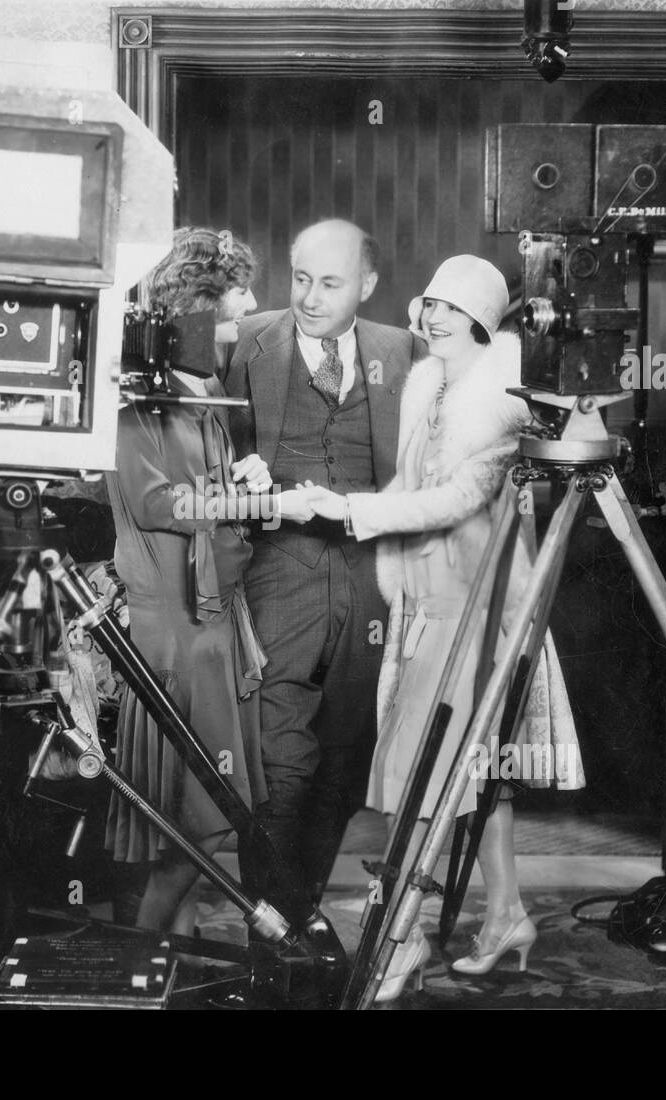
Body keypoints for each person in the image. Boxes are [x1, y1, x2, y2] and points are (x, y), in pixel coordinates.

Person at [303, 255, 584, 997]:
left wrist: (350, 514)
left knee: (426, 770)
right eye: (428, 302)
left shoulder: (501, 399)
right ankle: (506, 916)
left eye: (450, 309)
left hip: (476, 600)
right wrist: (343, 499)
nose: (430, 316)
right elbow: (413, 480)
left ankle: (404, 933)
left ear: (481, 320)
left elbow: (457, 498)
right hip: (427, 590)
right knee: (472, 768)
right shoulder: (428, 381)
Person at [105, 226, 314, 934]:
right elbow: (155, 503)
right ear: (199, 302)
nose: (252, 301)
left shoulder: (199, 386)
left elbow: (202, 490)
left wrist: (241, 477)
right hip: (178, 632)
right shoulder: (140, 396)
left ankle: (174, 963)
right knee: (197, 823)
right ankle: (143, 961)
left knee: (206, 818)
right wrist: (263, 502)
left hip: (214, 622)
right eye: (237, 291)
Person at [224, 219, 425, 924]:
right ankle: (271, 922)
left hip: (372, 571)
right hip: (279, 566)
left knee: (347, 749)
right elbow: (197, 444)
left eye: (331, 283)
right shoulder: (243, 342)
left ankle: (299, 906)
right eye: (301, 278)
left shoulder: (404, 353)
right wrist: (233, 474)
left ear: (366, 285)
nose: (309, 297)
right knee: (279, 757)